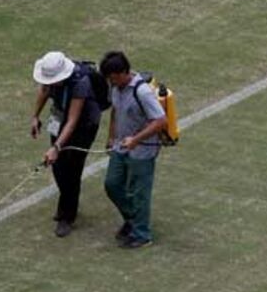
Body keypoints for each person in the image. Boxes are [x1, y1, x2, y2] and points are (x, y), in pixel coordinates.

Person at [30, 51, 104, 237]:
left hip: (84, 125)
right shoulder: (50, 82)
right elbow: (44, 91)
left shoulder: (81, 83)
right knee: (58, 167)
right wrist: (35, 116)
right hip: (60, 118)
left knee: (72, 168)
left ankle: (67, 216)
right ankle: (67, 203)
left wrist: (56, 148)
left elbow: (73, 120)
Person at [99, 51, 167, 249]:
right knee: (112, 184)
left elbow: (161, 121)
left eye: (112, 78)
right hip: (121, 146)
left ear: (123, 73)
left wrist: (136, 140)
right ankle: (133, 219)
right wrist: (111, 137)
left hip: (143, 150)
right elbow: (115, 111)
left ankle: (142, 234)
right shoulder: (116, 87)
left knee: (139, 192)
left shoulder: (142, 92)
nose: (111, 82)